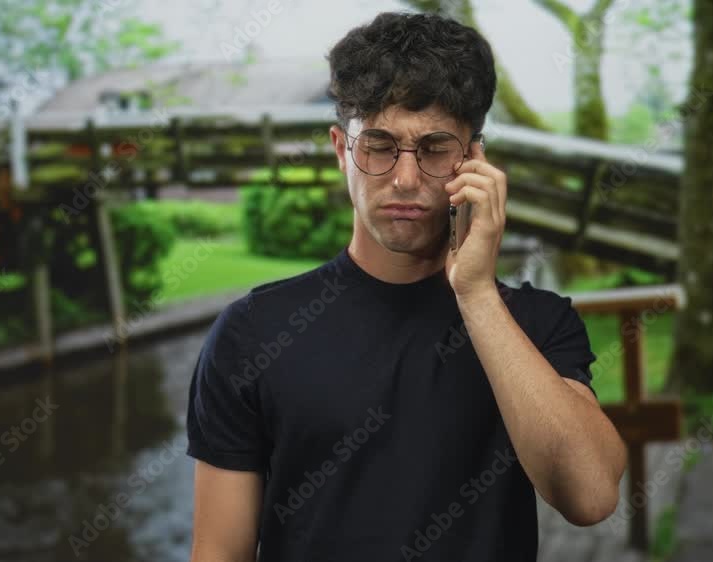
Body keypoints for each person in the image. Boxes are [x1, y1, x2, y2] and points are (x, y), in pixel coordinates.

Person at [186, 12, 626, 562]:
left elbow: (591, 496)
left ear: (474, 160)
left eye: (435, 148)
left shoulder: (537, 323)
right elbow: (219, 552)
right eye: (378, 145)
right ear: (341, 150)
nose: (406, 178)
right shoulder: (252, 333)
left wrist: (476, 295)